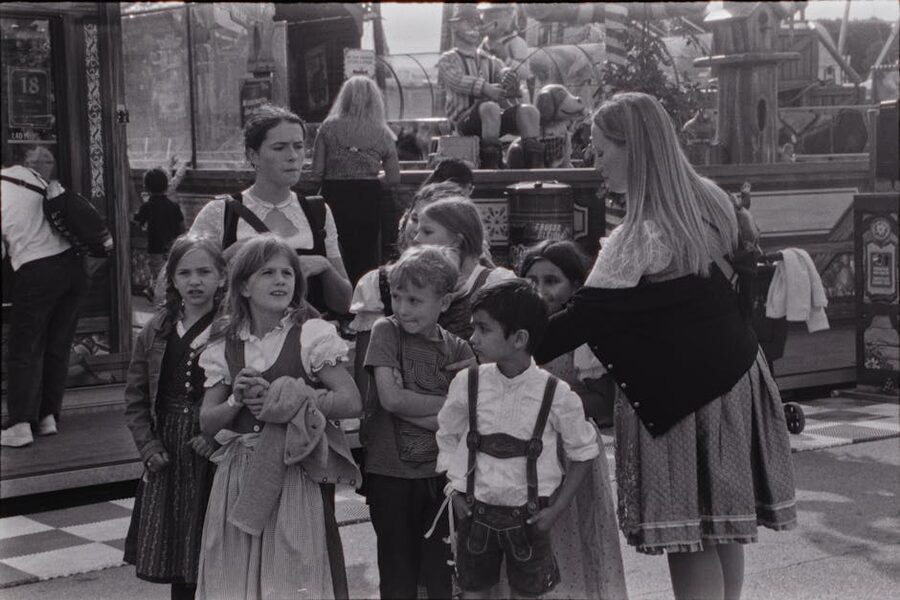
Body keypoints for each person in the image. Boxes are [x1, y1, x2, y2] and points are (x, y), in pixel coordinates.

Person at [535, 92, 797, 600]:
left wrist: (509, 338)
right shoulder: (711, 201)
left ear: (633, 148)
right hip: (735, 376)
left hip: (680, 400)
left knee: (690, 536)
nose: (595, 163)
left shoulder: (638, 238)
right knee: (719, 526)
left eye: (600, 150)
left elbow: (578, 319)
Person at [196, 234, 361, 600]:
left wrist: (293, 396)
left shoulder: (311, 337)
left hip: (296, 468)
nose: (281, 280)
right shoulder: (224, 344)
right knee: (233, 575)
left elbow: (351, 401)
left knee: (293, 573)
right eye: (267, 273)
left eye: (288, 273)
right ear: (243, 286)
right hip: (239, 474)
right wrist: (236, 400)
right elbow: (207, 422)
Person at [436, 279, 600, 599]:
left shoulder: (556, 394)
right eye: (474, 328)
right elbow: (447, 436)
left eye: (484, 330)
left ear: (519, 338)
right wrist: (453, 491)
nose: (473, 338)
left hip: (529, 520)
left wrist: (555, 511)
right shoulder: (467, 383)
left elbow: (584, 452)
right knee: (473, 593)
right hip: (474, 514)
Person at [363, 245, 475, 599]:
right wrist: (447, 408)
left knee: (439, 573)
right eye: (397, 297)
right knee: (397, 572)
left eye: (415, 300)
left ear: (443, 303)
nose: (403, 308)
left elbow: (470, 417)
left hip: (440, 477)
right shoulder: (386, 331)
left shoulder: (458, 349)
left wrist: (444, 416)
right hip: (390, 474)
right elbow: (391, 399)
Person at [519, 240, 628, 599]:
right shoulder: (513, 330)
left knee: (570, 543)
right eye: (531, 279)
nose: (540, 290)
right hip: (521, 455)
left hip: (570, 454)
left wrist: (550, 403)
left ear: (575, 289)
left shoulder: (582, 337)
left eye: (552, 280)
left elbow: (602, 399)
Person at [123, 234, 225, 600]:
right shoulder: (155, 328)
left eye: (204, 271)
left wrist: (216, 435)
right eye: (185, 273)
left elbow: (241, 390)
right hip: (167, 445)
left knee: (213, 547)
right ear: (173, 279)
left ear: (222, 277)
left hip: (213, 451)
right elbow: (135, 396)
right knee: (177, 552)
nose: (194, 281)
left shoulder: (231, 328)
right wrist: (148, 446)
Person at [190, 105, 352, 316]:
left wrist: (324, 266)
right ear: (253, 155)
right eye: (279, 147)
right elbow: (183, 284)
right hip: (240, 339)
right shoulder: (220, 212)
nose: (293, 156)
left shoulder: (317, 211)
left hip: (304, 340)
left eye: (299, 146)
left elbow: (345, 303)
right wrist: (229, 255)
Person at [1, 158, 87, 447]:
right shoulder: (27, 176)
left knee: (24, 348)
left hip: (37, 270)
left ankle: (20, 425)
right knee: (56, 345)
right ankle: (47, 416)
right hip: (73, 267)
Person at [309, 75, 401, 286]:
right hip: (367, 196)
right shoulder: (383, 133)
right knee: (365, 252)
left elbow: (316, 172)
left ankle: (335, 300)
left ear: (344, 98)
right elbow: (394, 178)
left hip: (334, 196)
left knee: (333, 248)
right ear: (374, 101)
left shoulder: (328, 127)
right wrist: (371, 179)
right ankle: (362, 301)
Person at [437, 3, 542, 169]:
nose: (474, 27)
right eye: (467, 22)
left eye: (477, 23)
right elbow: (456, 80)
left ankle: (534, 166)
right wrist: (485, 88)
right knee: (490, 107)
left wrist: (509, 77)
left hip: (491, 120)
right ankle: (491, 164)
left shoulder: (489, 60)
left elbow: (505, 72)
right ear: (454, 26)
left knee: (529, 111)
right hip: (463, 123)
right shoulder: (449, 59)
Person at [134, 166, 186, 286]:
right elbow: (182, 228)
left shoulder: (146, 207)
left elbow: (137, 224)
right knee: (173, 275)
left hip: (155, 249)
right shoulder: (174, 206)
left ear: (146, 187)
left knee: (158, 277)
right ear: (166, 185)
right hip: (173, 248)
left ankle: (157, 296)